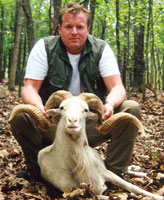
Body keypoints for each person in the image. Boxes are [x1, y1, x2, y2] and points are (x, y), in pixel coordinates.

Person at [10, 2, 141, 180]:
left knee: (131, 108)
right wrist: (39, 107)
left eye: (79, 27)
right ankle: (38, 170)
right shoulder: (44, 48)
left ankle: (112, 173)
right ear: (60, 28)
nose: (74, 32)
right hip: (53, 122)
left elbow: (118, 87)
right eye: (68, 27)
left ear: (88, 29)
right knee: (20, 115)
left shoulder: (101, 49)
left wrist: (109, 104)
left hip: (91, 123)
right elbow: (29, 88)